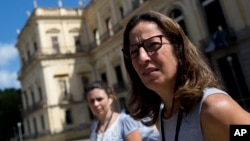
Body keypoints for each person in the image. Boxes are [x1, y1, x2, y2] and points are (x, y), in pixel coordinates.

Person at [121, 10, 250, 141]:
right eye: (134, 51)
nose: (142, 58)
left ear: (177, 48)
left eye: (153, 44)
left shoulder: (214, 108)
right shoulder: (164, 116)